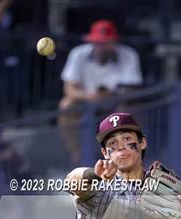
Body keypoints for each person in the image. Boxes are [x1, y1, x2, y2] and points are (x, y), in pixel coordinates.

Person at [58, 20, 143, 165]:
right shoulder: (78, 54)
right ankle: (77, 155)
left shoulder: (128, 54)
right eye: (97, 43)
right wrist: (91, 96)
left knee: (132, 110)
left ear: (114, 42)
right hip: (87, 101)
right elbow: (69, 89)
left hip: (116, 104)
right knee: (66, 105)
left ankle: (125, 159)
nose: (100, 47)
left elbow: (133, 89)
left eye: (105, 43)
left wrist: (111, 94)